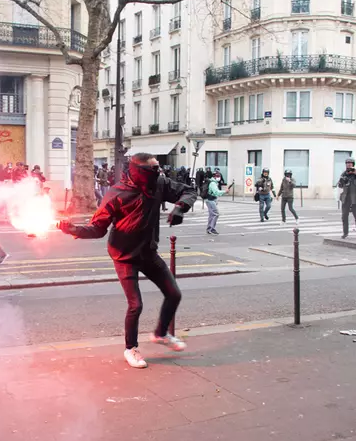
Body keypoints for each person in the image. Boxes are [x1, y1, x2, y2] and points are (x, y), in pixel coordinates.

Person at [57, 153, 197, 369]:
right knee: (135, 305)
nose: (158, 172)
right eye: (153, 169)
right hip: (124, 256)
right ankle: (130, 349)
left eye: (158, 167)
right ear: (139, 171)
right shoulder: (117, 194)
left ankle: (161, 334)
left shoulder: (158, 183)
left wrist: (180, 206)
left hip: (148, 252)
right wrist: (73, 229)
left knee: (174, 293)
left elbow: (188, 190)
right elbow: (97, 229)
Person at [337, 157, 356, 239]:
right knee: (344, 217)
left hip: (355, 199)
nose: (349, 165)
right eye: (347, 163)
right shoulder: (344, 174)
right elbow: (340, 185)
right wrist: (341, 180)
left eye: (350, 164)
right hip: (346, 198)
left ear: (353, 165)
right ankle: (345, 233)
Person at [204, 170, 228, 235]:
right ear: (214, 176)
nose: (218, 177)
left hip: (209, 200)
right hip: (211, 200)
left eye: (219, 176)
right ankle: (212, 229)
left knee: (211, 215)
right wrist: (224, 191)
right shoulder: (213, 183)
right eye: (217, 176)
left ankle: (209, 229)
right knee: (215, 214)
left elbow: (216, 193)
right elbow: (216, 192)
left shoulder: (212, 182)